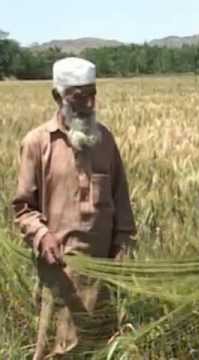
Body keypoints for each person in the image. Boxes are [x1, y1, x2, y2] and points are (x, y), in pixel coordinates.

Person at [12, 57, 136, 358]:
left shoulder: (105, 141)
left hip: (103, 276)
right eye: (78, 96)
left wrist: (123, 251)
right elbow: (22, 208)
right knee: (58, 350)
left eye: (92, 94)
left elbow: (122, 205)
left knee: (101, 348)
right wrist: (42, 235)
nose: (88, 103)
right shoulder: (37, 143)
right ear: (58, 96)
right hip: (59, 278)